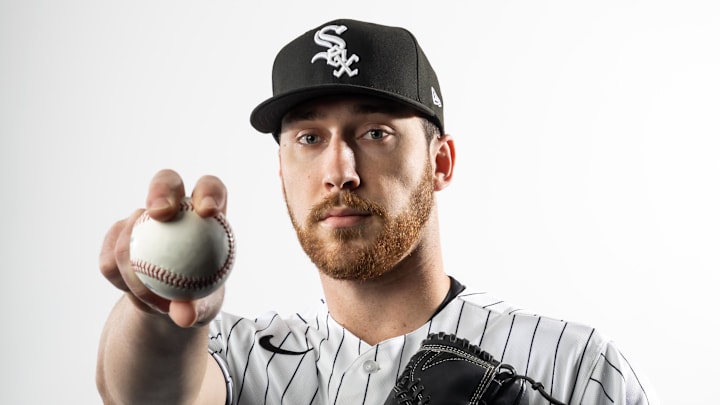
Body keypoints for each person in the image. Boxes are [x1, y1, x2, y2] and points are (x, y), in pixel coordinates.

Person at [96, 18, 657, 404]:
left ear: (442, 161)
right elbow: (145, 392)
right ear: (282, 169)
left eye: (375, 131)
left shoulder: (574, 365)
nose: (339, 169)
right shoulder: (236, 358)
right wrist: (156, 307)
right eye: (310, 138)